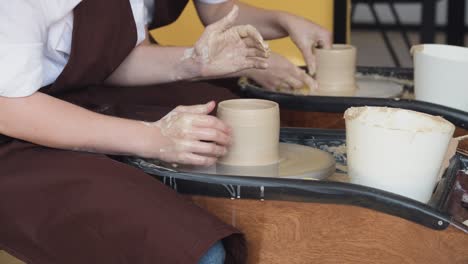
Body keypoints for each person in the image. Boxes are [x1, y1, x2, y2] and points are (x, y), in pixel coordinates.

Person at [0, 0, 331, 263]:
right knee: (194, 251)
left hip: (63, 98)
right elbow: (9, 108)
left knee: (223, 126)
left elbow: (114, 61)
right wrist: (152, 138)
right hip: (14, 131)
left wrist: (190, 64)